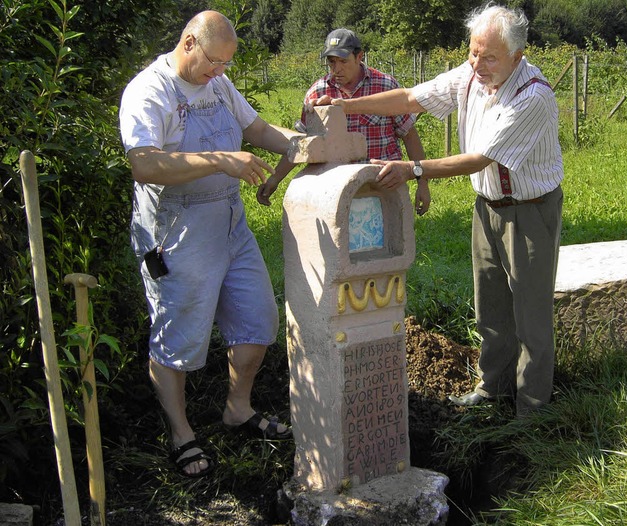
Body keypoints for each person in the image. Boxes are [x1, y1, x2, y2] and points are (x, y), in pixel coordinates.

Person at [315, 5, 563, 418]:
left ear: (517, 57)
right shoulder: (470, 76)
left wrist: (413, 170)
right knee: (491, 306)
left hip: (531, 210)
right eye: (473, 53)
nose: (477, 64)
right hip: (488, 207)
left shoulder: (533, 96)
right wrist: (346, 107)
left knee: (531, 315)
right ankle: (494, 387)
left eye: (489, 57)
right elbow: (411, 98)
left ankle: (532, 410)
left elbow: (477, 159)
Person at [119, 10, 300, 478]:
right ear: (188, 43)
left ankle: (237, 409)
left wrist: (300, 144)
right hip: (176, 231)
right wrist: (220, 160)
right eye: (213, 62)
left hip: (229, 224)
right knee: (178, 335)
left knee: (258, 320)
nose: (219, 72)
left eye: (225, 65)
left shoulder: (218, 83)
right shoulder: (149, 91)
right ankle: (181, 431)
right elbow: (144, 165)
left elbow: (256, 129)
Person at [256, 28, 431, 216]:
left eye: (343, 61)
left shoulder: (385, 86)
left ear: (359, 57)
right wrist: (275, 178)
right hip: (335, 192)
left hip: (383, 186)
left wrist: (422, 182)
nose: (336, 69)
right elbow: (304, 144)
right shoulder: (317, 93)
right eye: (331, 62)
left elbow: (409, 135)